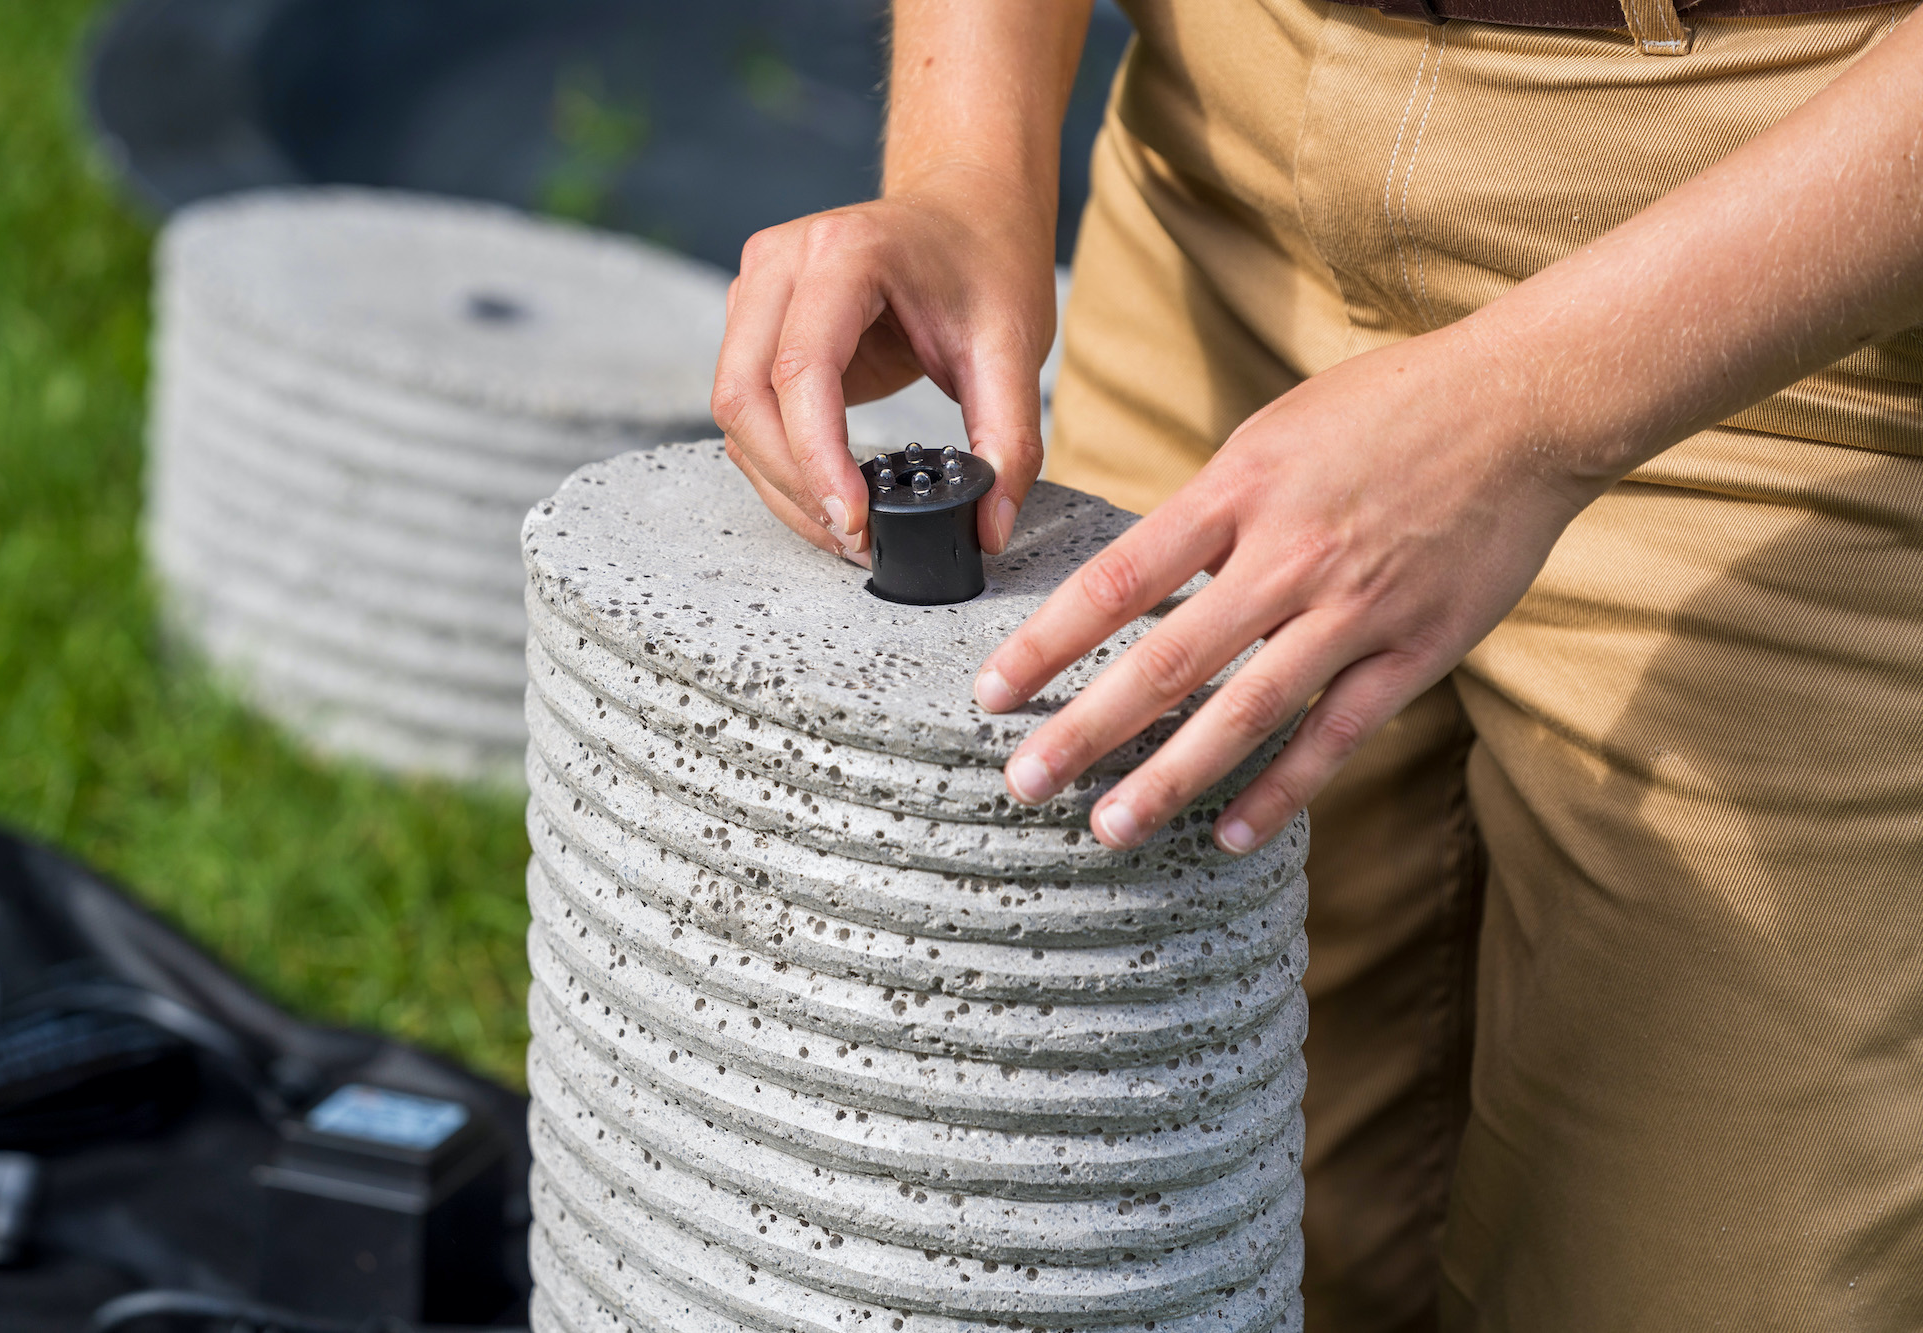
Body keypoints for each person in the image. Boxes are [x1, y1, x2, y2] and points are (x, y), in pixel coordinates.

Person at [709, 0, 1923, 1326]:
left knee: (1696, 1273)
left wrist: (1529, 405)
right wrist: (962, 172)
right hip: (1224, 187)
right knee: (1132, 1216)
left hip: (1803, 308)